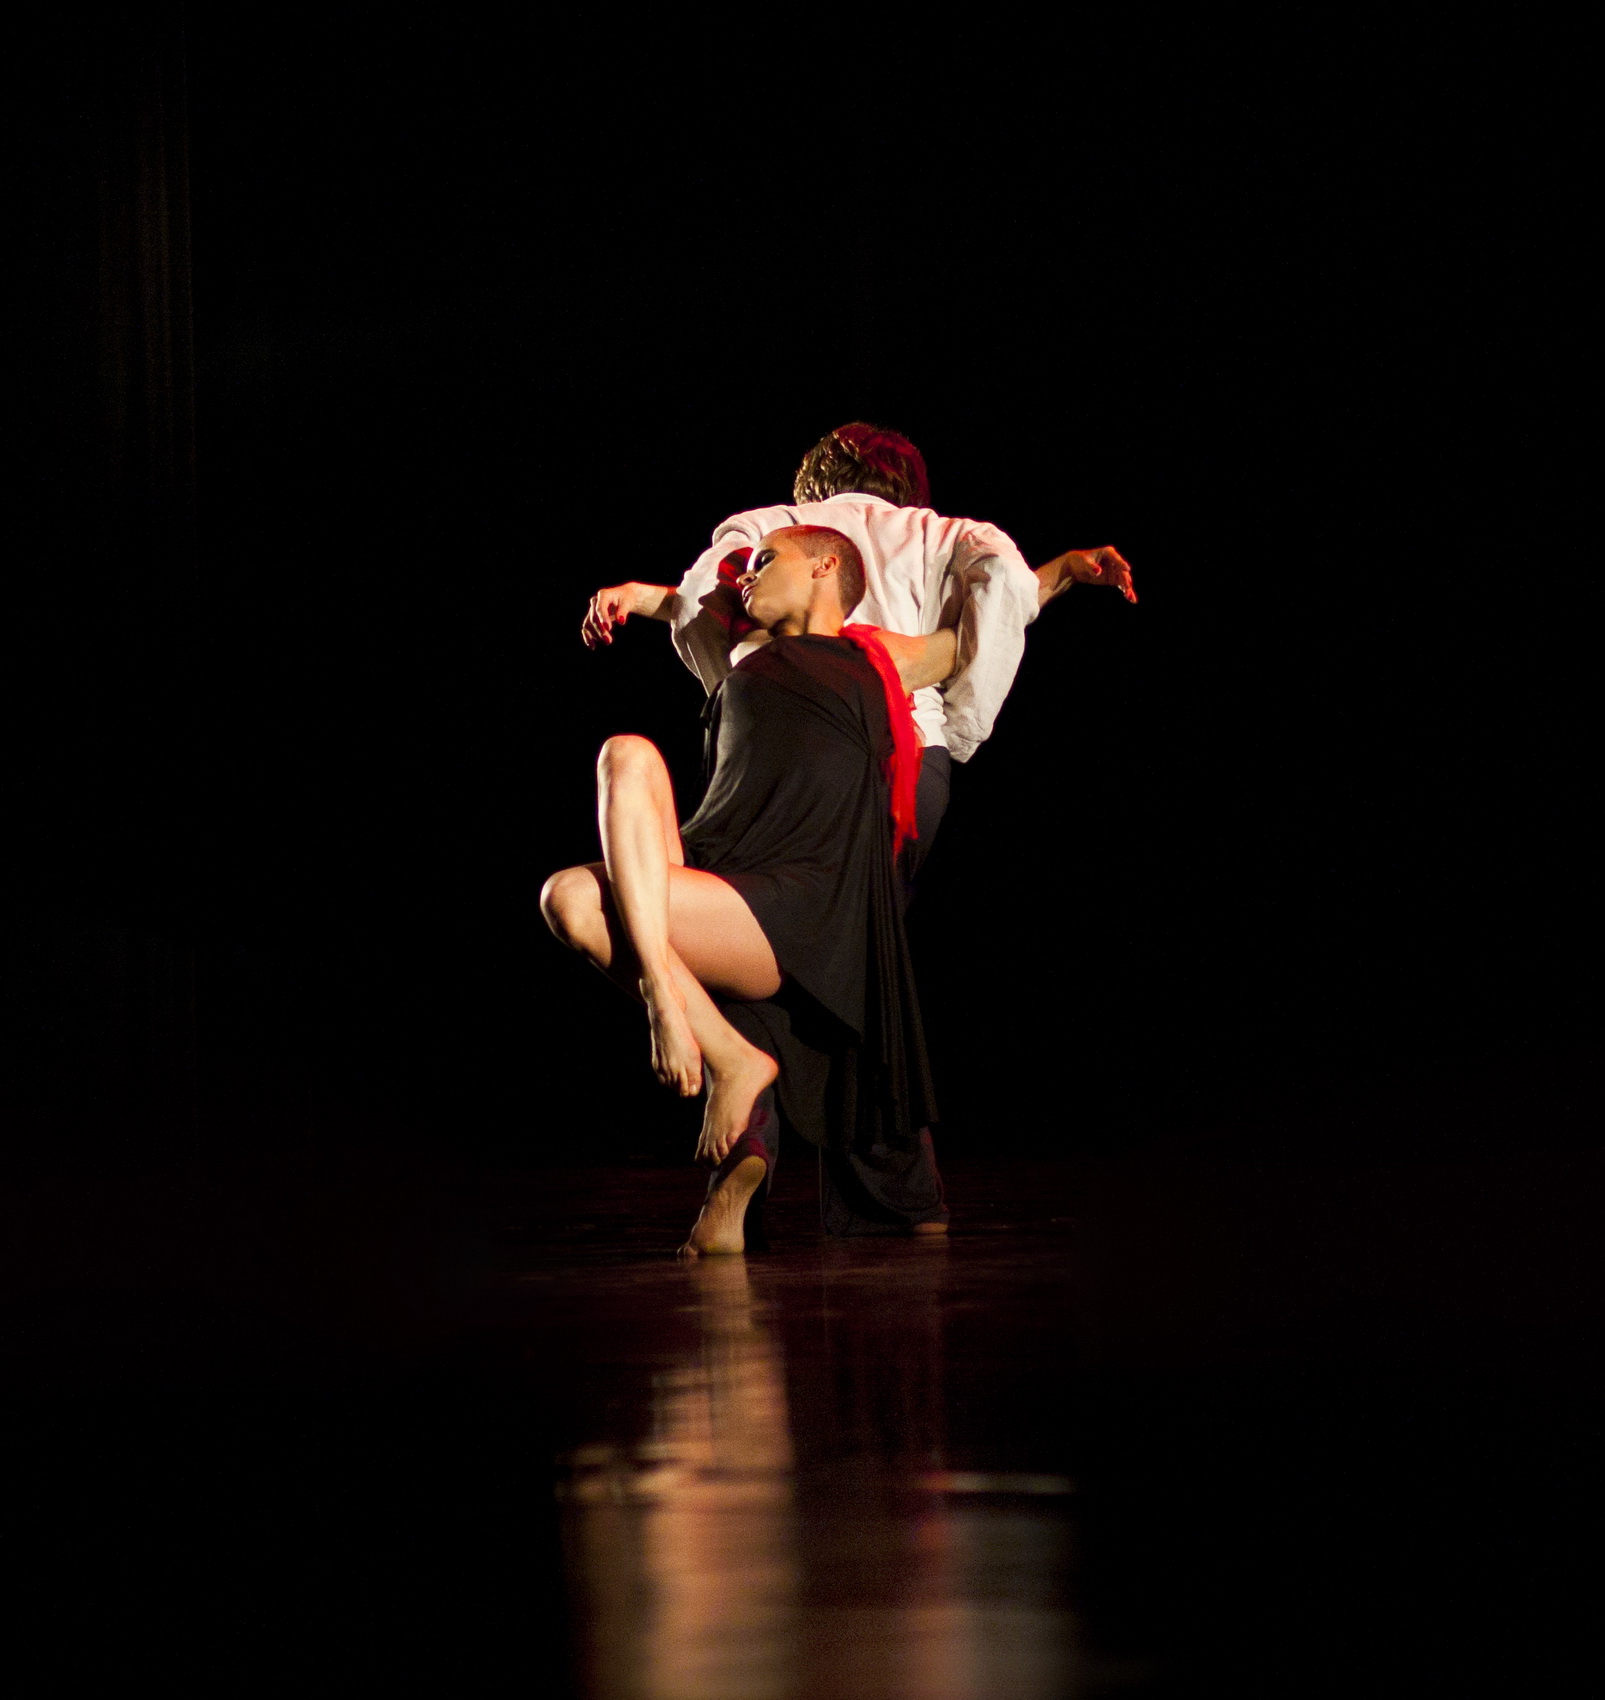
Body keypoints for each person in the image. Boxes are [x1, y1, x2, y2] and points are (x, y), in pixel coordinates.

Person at [541, 525, 945, 1254]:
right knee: (621, 764)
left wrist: (1065, 573)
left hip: (799, 905)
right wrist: (632, 595)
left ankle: (705, 1038)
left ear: (825, 566)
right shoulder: (742, 652)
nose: (747, 576)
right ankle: (711, 1038)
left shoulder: (875, 654)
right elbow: (692, 601)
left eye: (764, 561)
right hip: (723, 871)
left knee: (574, 895)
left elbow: (981, 629)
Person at [581, 422, 1136, 891]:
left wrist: (736, 684)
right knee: (850, 931)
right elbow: (1007, 590)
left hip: (785, 741)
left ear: (816, 478)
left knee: (731, 909)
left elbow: (702, 597)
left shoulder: (772, 526)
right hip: (909, 752)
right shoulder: (945, 533)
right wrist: (959, 719)